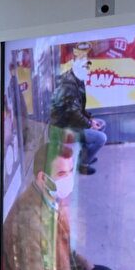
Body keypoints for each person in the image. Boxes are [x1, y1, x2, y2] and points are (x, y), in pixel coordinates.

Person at [0, 135, 116, 270]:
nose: (68, 179)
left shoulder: (48, 199)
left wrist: (86, 269)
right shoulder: (28, 224)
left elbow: (62, 247)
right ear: (42, 178)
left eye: (70, 171)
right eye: (61, 174)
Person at [50, 46, 106, 176]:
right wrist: (89, 124)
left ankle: (85, 155)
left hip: (73, 124)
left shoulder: (77, 81)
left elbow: (80, 108)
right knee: (101, 138)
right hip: (64, 128)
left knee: (101, 123)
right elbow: (73, 114)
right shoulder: (68, 85)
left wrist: (90, 119)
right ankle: (83, 164)